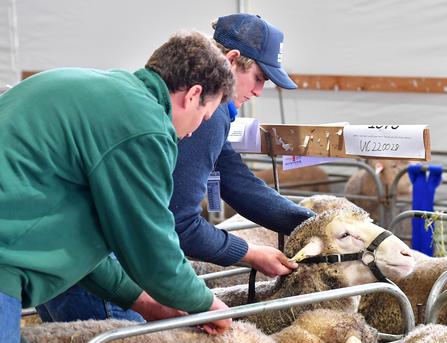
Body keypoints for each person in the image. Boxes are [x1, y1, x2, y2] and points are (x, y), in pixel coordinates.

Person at [35, 13, 316, 323]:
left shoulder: (134, 95)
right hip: (103, 264)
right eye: (260, 78)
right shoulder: (204, 113)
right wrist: (242, 259)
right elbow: (177, 221)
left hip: (68, 256)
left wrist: (314, 223)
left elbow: (236, 181)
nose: (259, 92)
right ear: (233, 61)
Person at [0, 31, 236, 343]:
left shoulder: (102, 93)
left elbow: (72, 235)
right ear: (194, 94)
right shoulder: (145, 126)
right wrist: (206, 304)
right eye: (205, 114)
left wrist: (142, 301)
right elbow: (151, 245)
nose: (196, 129)